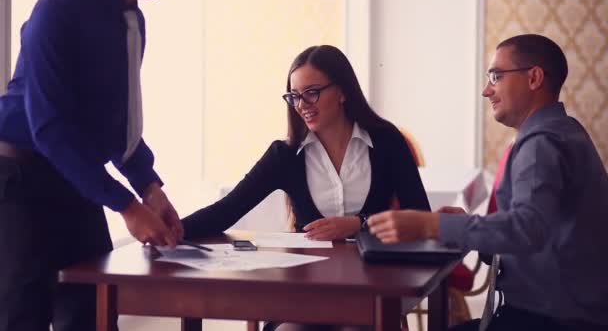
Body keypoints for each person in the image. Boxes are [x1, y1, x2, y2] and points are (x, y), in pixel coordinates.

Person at [367, 34, 608, 331]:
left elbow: (527, 229)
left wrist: (431, 225)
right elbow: (541, 236)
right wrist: (471, 225)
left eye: (496, 76)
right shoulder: (564, 131)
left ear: (533, 78)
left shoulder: (542, 143)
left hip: (553, 321)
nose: (486, 90)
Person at [182, 45, 429, 330]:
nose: (302, 104)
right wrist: (172, 230)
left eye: (311, 92)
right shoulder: (284, 155)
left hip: (373, 287)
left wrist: (359, 224)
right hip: (306, 293)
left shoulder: (387, 142)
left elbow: (420, 215)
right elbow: (225, 211)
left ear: (342, 91)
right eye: (294, 96)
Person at [0, 0, 183, 330]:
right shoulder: (59, 6)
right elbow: (49, 126)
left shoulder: (132, 20)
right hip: (22, 184)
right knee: (23, 318)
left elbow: (115, 122)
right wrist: (126, 205)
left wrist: (149, 187)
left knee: (93, 315)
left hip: (77, 178)